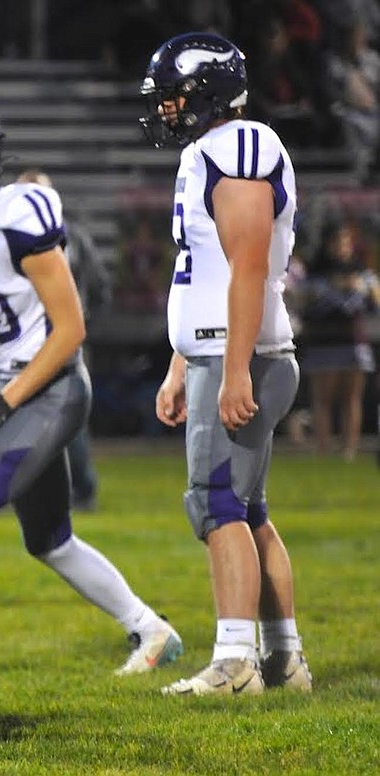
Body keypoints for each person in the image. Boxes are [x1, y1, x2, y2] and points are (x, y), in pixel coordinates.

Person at [0, 99, 182, 678]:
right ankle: (152, 630)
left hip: (55, 386)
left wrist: (3, 403)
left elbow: (71, 330)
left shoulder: (20, 215)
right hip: (10, 390)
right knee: (50, 540)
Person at [141, 32, 311, 695]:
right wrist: (182, 366)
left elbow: (246, 267)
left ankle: (237, 661)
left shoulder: (241, 145)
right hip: (217, 349)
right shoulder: (208, 150)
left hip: (241, 352)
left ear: (211, 95)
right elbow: (206, 273)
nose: (166, 111)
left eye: (176, 97)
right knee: (248, 507)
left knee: (215, 504)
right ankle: (282, 658)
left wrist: (234, 368)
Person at [16, 169, 113, 512]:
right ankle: (35, 490)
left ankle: (82, 489)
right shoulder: (17, 239)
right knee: (32, 415)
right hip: (29, 341)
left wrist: (80, 322)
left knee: (68, 414)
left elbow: (99, 288)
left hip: (61, 339)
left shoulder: (71, 238)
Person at [298, 222, 380, 460]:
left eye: (345, 242)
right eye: (337, 242)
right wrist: (326, 290)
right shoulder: (315, 272)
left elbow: (374, 301)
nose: (342, 247)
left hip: (353, 340)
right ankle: (323, 447)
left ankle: (349, 450)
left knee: (351, 398)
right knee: (323, 399)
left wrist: (362, 288)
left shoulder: (360, 271)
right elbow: (302, 300)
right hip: (324, 341)